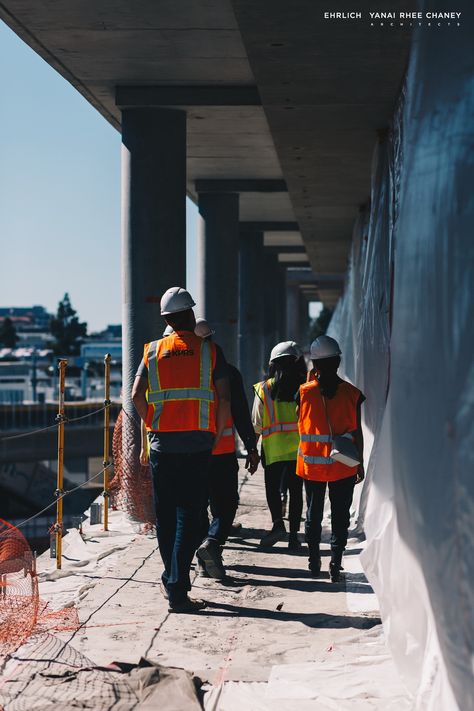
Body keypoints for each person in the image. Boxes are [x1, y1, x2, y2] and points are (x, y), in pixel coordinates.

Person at [132, 287, 231, 613]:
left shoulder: (152, 350)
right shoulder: (208, 350)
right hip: (198, 443)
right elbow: (225, 397)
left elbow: (136, 396)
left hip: (163, 444)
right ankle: (176, 587)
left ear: (166, 319)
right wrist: (215, 435)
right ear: (189, 315)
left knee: (167, 516)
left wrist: (153, 423)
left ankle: (172, 578)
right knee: (190, 517)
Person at [296, 335, 365, 582]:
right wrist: (361, 463)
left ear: (314, 365)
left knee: (313, 514)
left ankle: (314, 559)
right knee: (340, 515)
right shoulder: (352, 394)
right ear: (337, 362)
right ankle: (335, 562)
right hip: (343, 464)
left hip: (312, 466)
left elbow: (300, 419)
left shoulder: (304, 392)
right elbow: (356, 431)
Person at [194, 318, 259, 579]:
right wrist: (252, 448)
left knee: (198, 506)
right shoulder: (228, 372)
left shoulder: (182, 374)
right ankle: (211, 544)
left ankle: (204, 553)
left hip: (191, 453)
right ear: (211, 341)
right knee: (226, 504)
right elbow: (241, 412)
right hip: (220, 452)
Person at [252, 341, 305, 550]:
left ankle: (277, 525)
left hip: (272, 451)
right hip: (298, 450)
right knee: (296, 492)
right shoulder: (304, 388)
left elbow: (256, 423)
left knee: (273, 490)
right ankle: (293, 537)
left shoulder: (264, 389)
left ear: (272, 364)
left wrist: (252, 453)